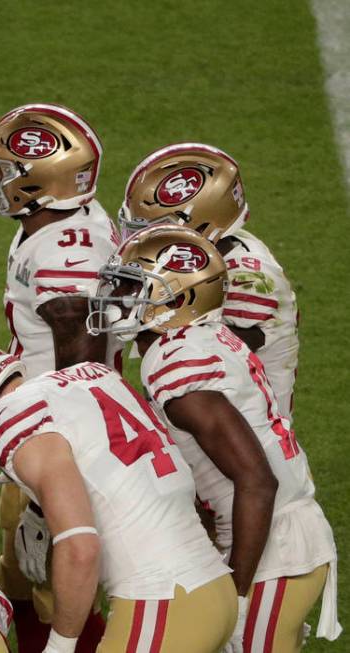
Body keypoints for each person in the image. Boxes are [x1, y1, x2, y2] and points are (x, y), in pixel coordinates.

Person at [87, 224, 340, 652]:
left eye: (134, 287)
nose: (117, 298)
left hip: (273, 548)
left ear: (179, 299)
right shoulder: (191, 340)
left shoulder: (178, 363)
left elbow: (258, 482)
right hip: (265, 535)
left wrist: (236, 598)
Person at [0, 337, 237, 652]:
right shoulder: (95, 375)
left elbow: (81, 548)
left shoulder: (13, 421)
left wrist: (59, 646)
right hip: (214, 585)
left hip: (160, 601)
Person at [0, 103, 119, 651]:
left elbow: (82, 375)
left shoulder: (63, 253)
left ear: (41, 180)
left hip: (63, 442)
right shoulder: (56, 224)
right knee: (21, 579)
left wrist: (47, 501)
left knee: (63, 597)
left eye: (7, 169)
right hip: (41, 429)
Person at [119, 143, 299, 419]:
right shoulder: (218, 250)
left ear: (200, 225)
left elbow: (198, 364)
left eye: (153, 227)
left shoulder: (247, 280)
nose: (143, 238)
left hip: (238, 431)